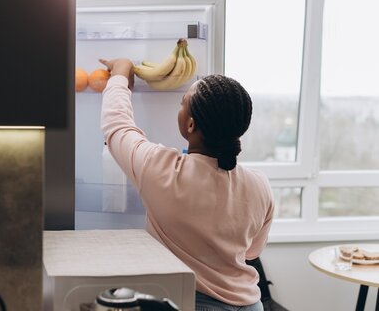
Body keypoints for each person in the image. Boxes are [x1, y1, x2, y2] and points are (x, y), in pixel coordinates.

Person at [98, 58, 274, 311]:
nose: (179, 108)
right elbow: (251, 252)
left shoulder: (159, 168)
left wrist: (119, 75)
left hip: (190, 303)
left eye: (182, 104)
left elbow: (117, 125)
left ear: (190, 124)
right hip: (250, 304)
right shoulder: (260, 185)